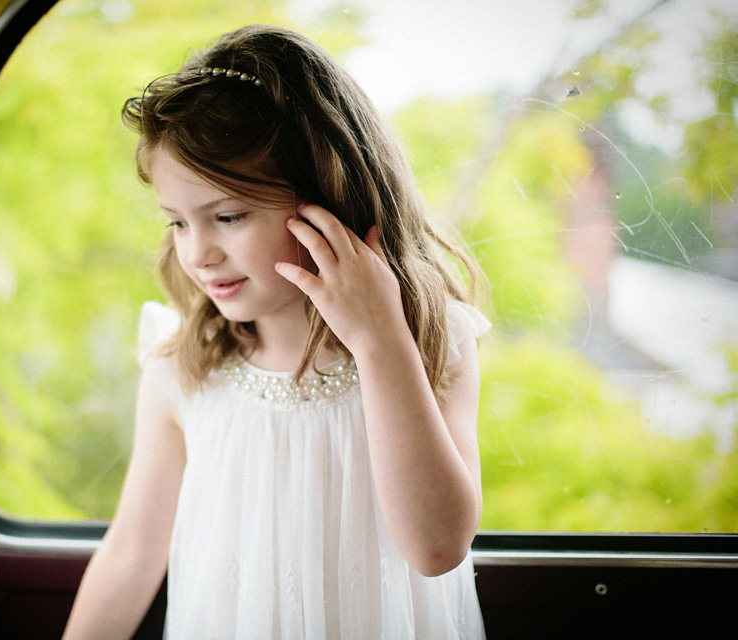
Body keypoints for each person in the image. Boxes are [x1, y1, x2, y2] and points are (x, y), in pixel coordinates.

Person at [63, 24, 490, 639]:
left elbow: (436, 549)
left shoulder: (430, 340)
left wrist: (378, 340)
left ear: (330, 198)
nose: (199, 254)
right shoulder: (182, 365)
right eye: (179, 223)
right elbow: (130, 555)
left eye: (229, 217)